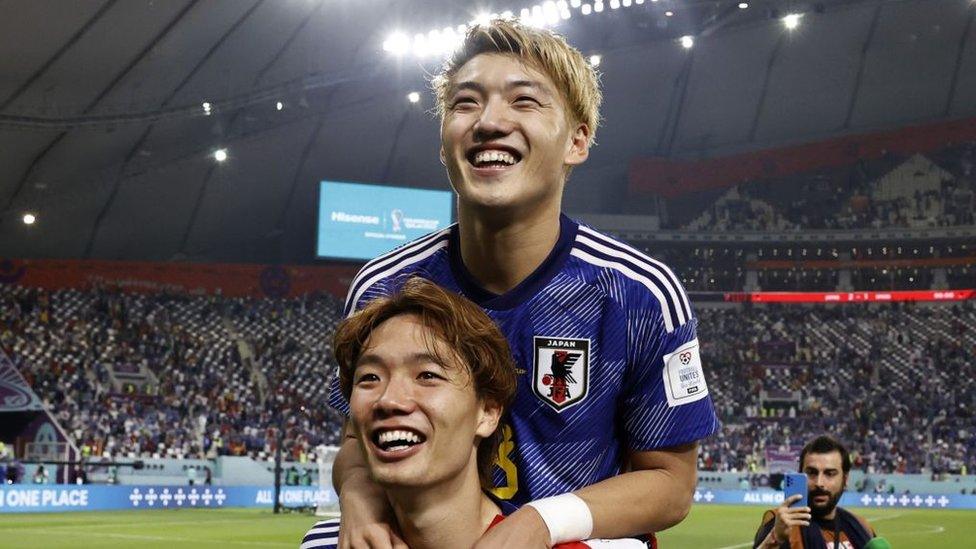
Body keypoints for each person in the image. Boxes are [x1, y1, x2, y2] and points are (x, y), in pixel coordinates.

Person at [329, 18, 719, 548]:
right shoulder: (384, 287)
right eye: (465, 103)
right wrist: (355, 495)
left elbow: (672, 485)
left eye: (524, 102)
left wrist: (538, 523)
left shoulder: (639, 293)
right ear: (444, 142)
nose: (489, 121)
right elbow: (358, 440)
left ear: (577, 141)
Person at [303, 278, 645, 549]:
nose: (389, 399)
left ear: (488, 412)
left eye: (427, 376)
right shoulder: (322, 545)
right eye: (370, 378)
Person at [753, 436, 877, 548]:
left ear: (845, 480)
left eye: (829, 474)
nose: (819, 483)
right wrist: (775, 538)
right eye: (812, 473)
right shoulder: (782, 524)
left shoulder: (861, 526)